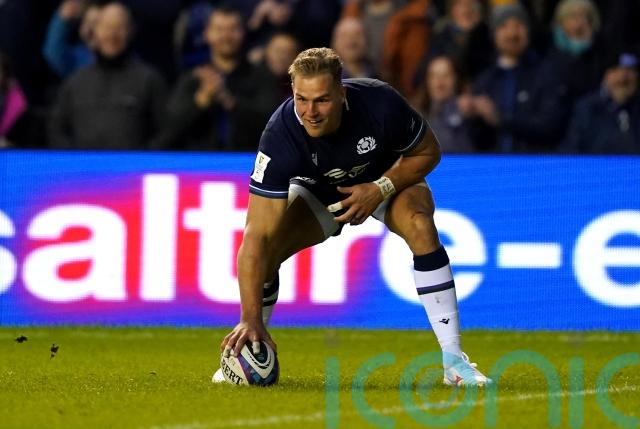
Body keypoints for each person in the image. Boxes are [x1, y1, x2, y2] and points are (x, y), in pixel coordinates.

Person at [214, 47, 491, 386]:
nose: (310, 112)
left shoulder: (379, 102)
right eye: (301, 99)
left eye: (322, 100)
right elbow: (256, 234)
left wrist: (380, 187)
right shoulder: (280, 135)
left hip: (384, 178)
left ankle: (454, 363)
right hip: (321, 191)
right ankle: (248, 349)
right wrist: (248, 318)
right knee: (267, 251)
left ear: (342, 93)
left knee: (420, 225)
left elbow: (428, 152)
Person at [157, 6, 280, 151]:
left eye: (233, 29)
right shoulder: (192, 78)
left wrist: (231, 102)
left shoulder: (262, 76)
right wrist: (200, 100)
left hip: (249, 159)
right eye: (219, 29)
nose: (226, 36)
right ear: (206, 34)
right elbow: (168, 130)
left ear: (243, 32)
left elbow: (273, 126)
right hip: (199, 161)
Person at [48, 2, 167, 150]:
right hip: (82, 164)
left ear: (130, 32)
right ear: (95, 32)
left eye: (119, 28)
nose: (112, 35)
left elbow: (165, 132)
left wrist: (144, 159)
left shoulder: (149, 80)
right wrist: (73, 160)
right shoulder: (75, 82)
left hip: (134, 164)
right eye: (106, 27)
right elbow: (56, 130)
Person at [468, 3, 568, 152]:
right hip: (491, 164)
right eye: (504, 26)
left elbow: (551, 126)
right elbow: (476, 139)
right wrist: (470, 115)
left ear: (528, 31)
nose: (512, 34)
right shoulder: (484, 80)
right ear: (494, 34)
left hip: (535, 163)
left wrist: (501, 119)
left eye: (518, 25)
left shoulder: (547, 73)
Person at [563, 51, 640, 154]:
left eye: (630, 70)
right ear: (605, 76)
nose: (623, 77)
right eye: (615, 70)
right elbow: (571, 150)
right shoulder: (587, 108)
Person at [42, 0, 101, 79]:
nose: (89, 30)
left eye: (96, 24)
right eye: (86, 23)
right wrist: (62, 20)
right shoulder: (81, 57)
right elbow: (54, 53)